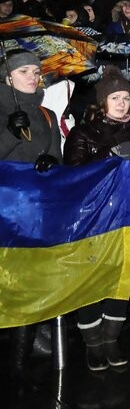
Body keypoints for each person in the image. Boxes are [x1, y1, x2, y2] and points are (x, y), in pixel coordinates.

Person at [63, 67, 130, 370]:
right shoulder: (83, 134)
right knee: (93, 282)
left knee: (121, 282)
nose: (121, 103)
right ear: (102, 102)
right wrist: (109, 154)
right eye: (115, 97)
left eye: (126, 98)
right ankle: (93, 344)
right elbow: (75, 176)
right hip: (96, 222)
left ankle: (111, 339)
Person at [1, 51, 63, 378]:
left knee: (34, 276)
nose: (32, 76)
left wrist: (51, 164)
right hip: (5, 210)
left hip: (37, 209)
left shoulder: (48, 114)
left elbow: (57, 159)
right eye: (23, 71)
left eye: (36, 71)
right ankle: (16, 356)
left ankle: (29, 345)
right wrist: (10, 134)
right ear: (8, 77)